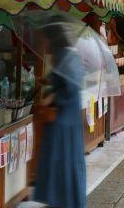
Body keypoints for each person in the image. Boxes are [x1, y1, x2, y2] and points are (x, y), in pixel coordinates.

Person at [34, 19, 86, 208]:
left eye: (46, 39)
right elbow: (63, 79)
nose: (44, 44)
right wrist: (47, 80)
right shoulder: (65, 55)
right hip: (66, 120)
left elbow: (70, 88)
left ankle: (62, 202)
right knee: (62, 163)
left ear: (53, 39)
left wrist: (50, 97)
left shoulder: (64, 56)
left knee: (61, 162)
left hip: (63, 120)